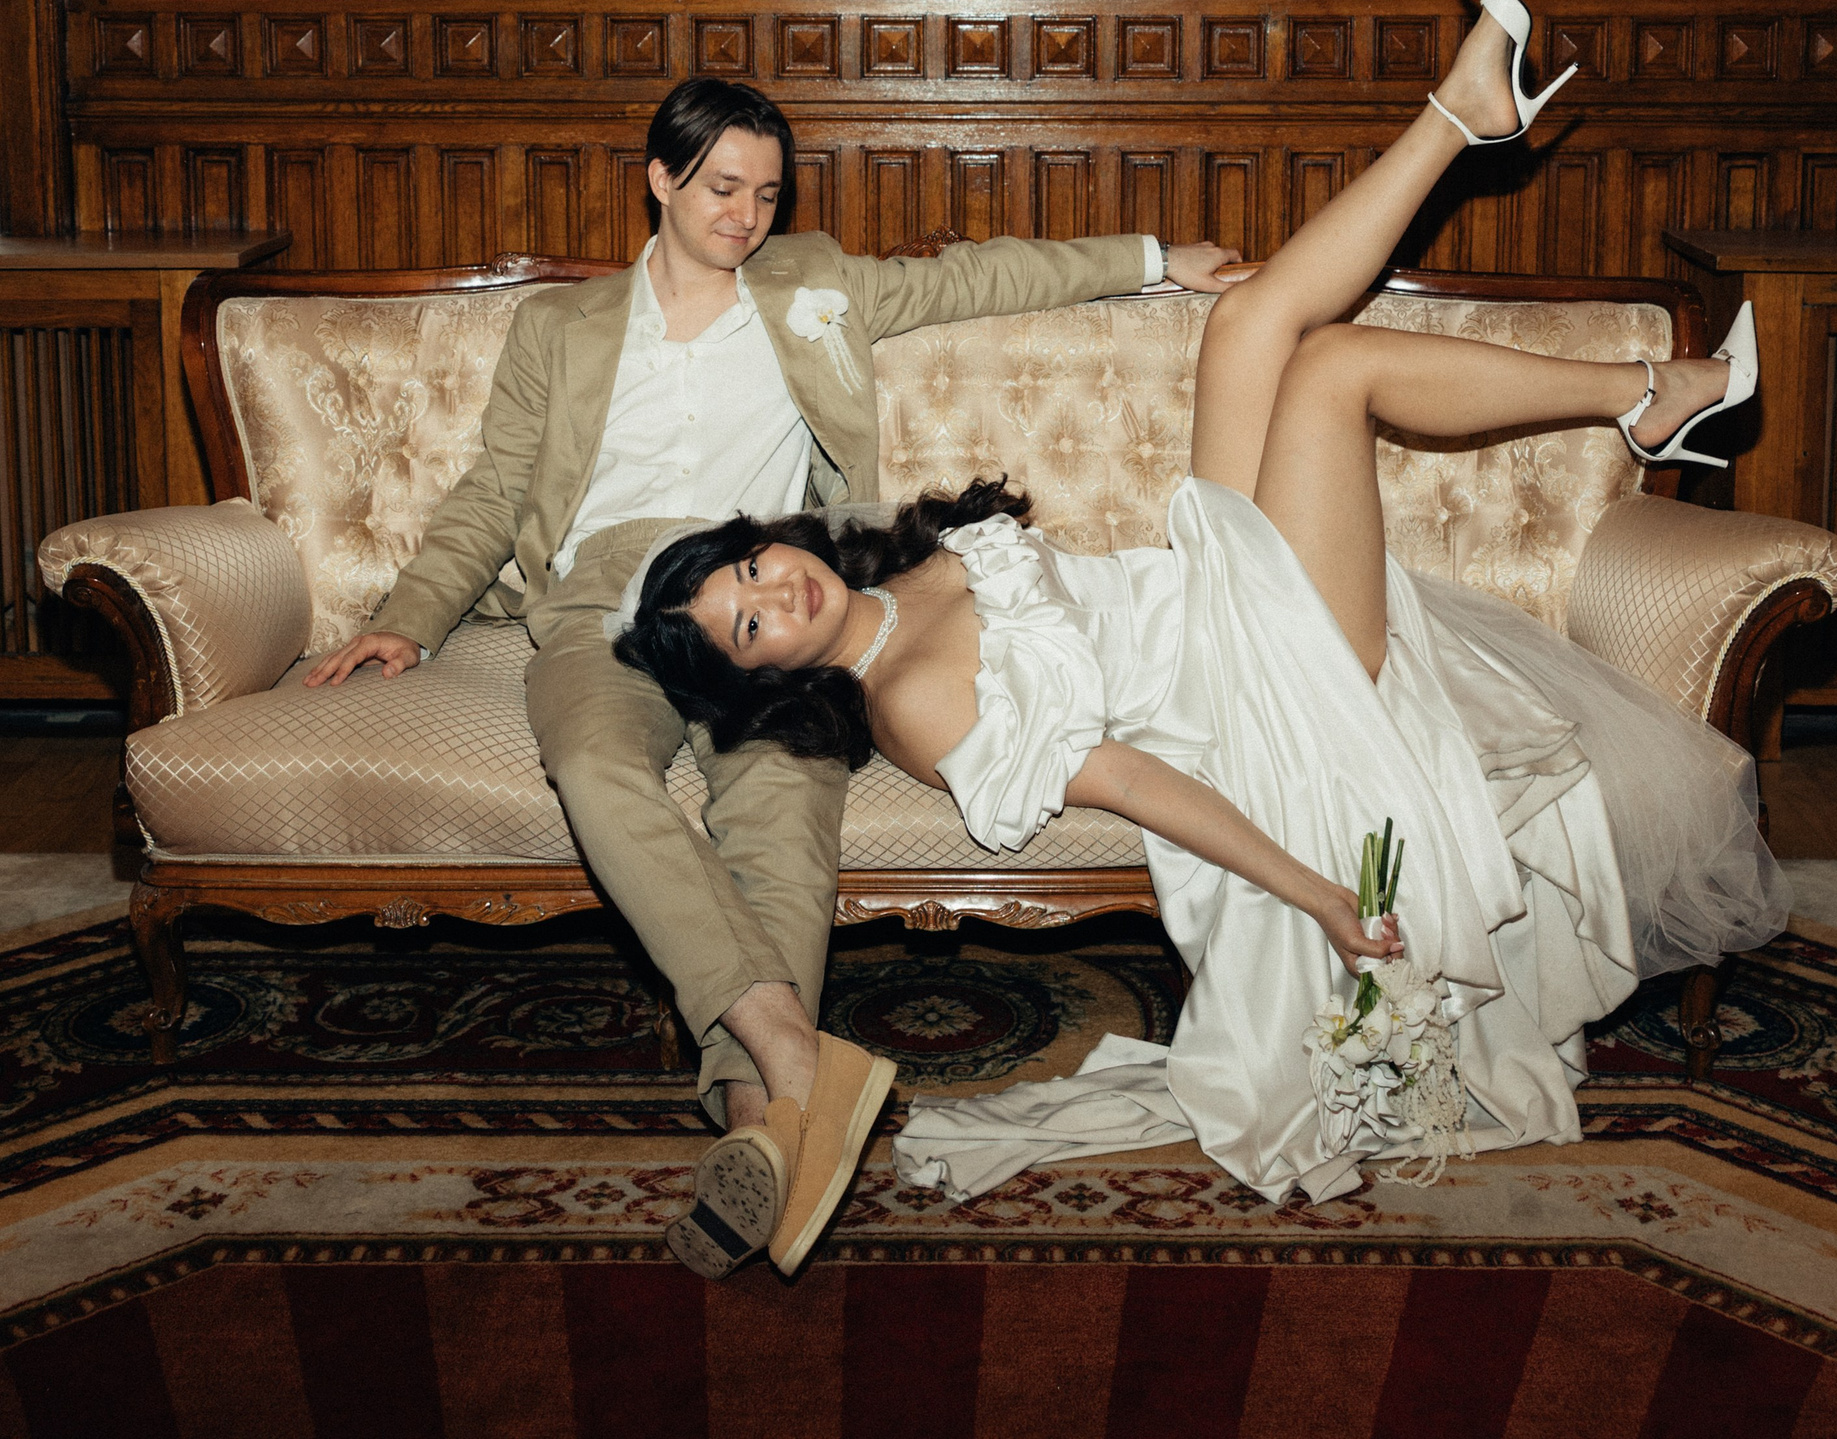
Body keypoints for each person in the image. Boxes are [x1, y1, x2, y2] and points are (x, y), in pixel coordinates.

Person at [621, 0, 1783, 1209]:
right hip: (1270, 694)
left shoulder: (904, 561)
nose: (775, 592)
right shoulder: (912, 700)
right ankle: (1649, 396)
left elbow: (979, 293)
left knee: (1247, 321)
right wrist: (1319, 897)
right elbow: (1133, 778)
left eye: (751, 566)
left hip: (1211, 594)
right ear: (767, 678)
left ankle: (1465, 115)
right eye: (749, 625)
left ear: (773, 535)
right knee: (1332, 371)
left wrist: (1155, 258)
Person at [304, 74, 1243, 1275]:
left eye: (764, 193)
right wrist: (409, 619)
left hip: (766, 609)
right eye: (720, 187)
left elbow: (981, 276)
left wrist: (1160, 256)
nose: (743, 215)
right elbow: (493, 490)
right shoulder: (563, 325)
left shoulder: (812, 286)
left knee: (786, 812)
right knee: (593, 761)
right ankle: (792, 1060)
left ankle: (760, 1117)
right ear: (660, 178)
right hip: (605, 604)